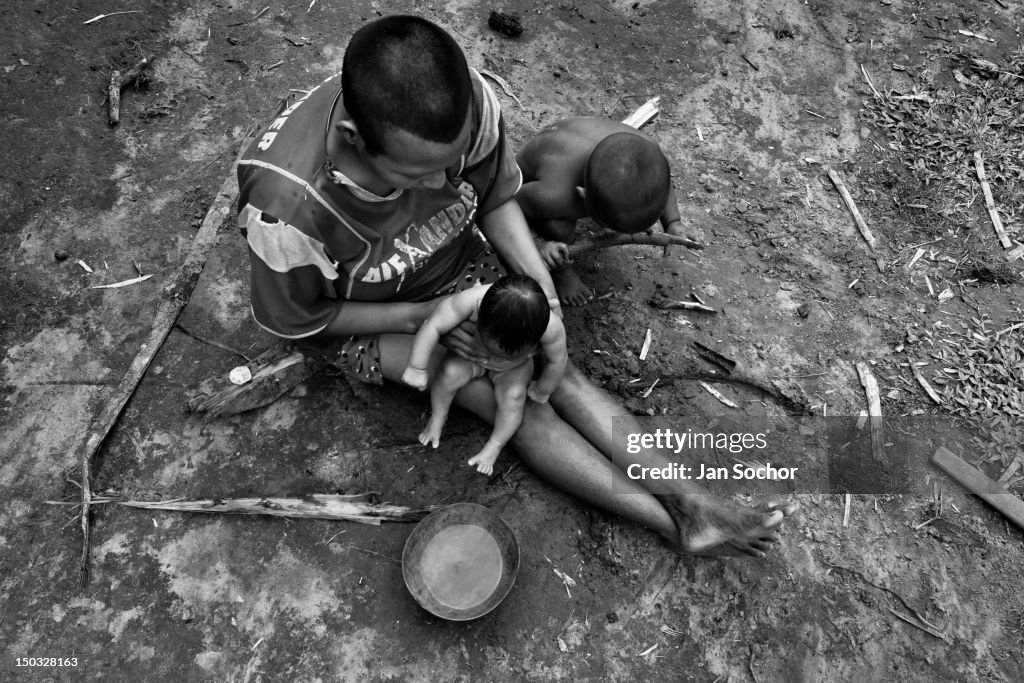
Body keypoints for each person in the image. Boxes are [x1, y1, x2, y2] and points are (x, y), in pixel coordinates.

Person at [237, 14, 796, 558]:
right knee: (518, 405)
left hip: (453, 267)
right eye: (414, 176)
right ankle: (671, 524)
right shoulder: (286, 214)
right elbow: (306, 322)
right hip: (373, 315)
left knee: (559, 374)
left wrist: (540, 291)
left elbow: (496, 196)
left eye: (451, 164)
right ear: (353, 139)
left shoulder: (468, 106)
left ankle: (696, 505)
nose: (443, 184)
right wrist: (422, 317)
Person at [516, 118, 704, 306]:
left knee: (650, 180)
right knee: (556, 225)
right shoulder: (552, 195)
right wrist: (542, 246)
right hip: (534, 173)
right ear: (583, 195)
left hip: (581, 138)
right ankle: (562, 272)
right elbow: (512, 203)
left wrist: (673, 222)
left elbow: (662, 181)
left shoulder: (649, 151)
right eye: (609, 225)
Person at [402, 274, 568, 475]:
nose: (493, 355)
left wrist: (543, 388)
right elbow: (433, 324)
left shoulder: (551, 328)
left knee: (514, 397)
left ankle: (494, 446)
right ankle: (438, 416)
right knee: (449, 373)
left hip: (513, 368)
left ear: (535, 346)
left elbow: (558, 360)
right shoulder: (471, 300)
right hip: (473, 355)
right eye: (487, 342)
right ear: (480, 313)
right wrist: (416, 367)